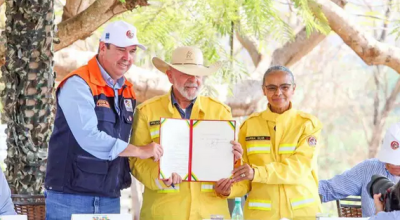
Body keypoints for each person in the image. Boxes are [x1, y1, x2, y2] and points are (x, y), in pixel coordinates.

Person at [45, 21, 163, 219]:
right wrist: (140, 151)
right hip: (70, 197)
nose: (127, 58)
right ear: (102, 47)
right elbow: (89, 137)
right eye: (120, 50)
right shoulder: (78, 84)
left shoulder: (127, 91)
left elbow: (132, 137)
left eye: (132, 51)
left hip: (109, 197)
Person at [130, 46, 244, 220]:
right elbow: (136, 160)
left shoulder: (221, 112)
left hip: (210, 214)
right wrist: (159, 177)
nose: (193, 80)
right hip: (164, 213)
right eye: (186, 73)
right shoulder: (147, 111)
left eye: (198, 74)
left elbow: (235, 169)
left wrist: (230, 184)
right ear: (170, 76)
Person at [229, 66, 323, 220]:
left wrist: (257, 173)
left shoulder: (308, 125)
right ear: (263, 90)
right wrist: (228, 190)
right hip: (260, 216)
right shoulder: (249, 126)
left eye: (284, 87)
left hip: (303, 214)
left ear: (293, 89)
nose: (278, 93)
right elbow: (243, 176)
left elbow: (298, 168)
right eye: (271, 88)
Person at [318, 122, 400, 217]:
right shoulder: (368, 169)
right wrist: (302, 189)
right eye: (390, 160)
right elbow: (329, 189)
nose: (394, 164)